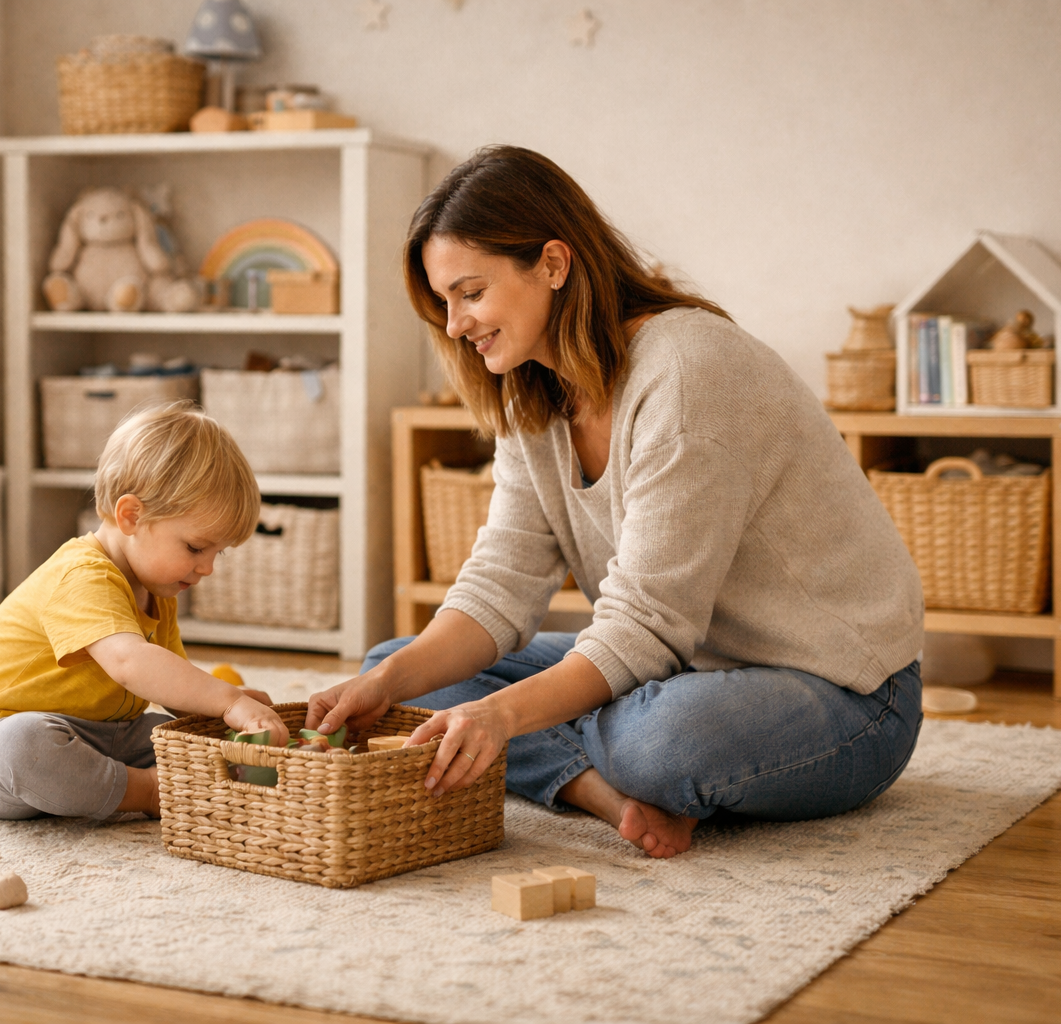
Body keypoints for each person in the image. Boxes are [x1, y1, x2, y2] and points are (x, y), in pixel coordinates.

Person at [307, 146, 925, 858]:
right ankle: (594, 790)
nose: (454, 325)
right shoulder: (533, 393)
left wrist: (503, 716)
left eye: (469, 293)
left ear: (553, 265)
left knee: (655, 741)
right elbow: (499, 589)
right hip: (686, 664)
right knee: (394, 673)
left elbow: (647, 625)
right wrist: (388, 682)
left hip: (846, 695)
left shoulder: (688, 373)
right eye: (444, 302)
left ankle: (611, 765)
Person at [0, 401, 288, 820]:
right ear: (131, 515)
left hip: (103, 734)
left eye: (217, 554)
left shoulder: (158, 591)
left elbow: (166, 682)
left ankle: (203, 778)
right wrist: (227, 700)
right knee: (23, 744)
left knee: (182, 737)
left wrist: (228, 715)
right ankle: (148, 791)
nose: (206, 567)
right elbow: (129, 662)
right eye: (195, 547)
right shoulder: (81, 574)